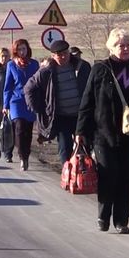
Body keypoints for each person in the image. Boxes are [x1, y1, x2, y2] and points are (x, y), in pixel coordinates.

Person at [75, 28, 129, 234]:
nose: (126, 48)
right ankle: (103, 216)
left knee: (125, 177)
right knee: (108, 174)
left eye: (128, 45)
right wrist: (80, 131)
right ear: (112, 47)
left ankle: (122, 221)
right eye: (121, 45)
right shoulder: (100, 69)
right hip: (104, 133)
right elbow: (87, 101)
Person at [24, 39, 91, 167]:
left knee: (86, 145)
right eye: (59, 55)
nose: (63, 57)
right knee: (65, 148)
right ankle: (68, 172)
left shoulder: (82, 67)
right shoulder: (47, 71)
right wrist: (38, 109)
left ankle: (85, 174)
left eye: (65, 53)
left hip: (81, 116)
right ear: (53, 56)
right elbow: (28, 88)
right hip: (61, 117)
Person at [3, 39, 39, 171]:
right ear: (15, 51)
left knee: (28, 131)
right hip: (16, 101)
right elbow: (8, 87)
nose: (22, 52)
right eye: (19, 50)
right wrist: (5, 105)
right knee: (19, 127)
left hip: (30, 101)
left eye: (24, 49)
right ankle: (21, 156)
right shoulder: (11, 65)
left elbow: (38, 84)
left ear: (27, 49)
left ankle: (26, 156)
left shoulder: (34, 64)